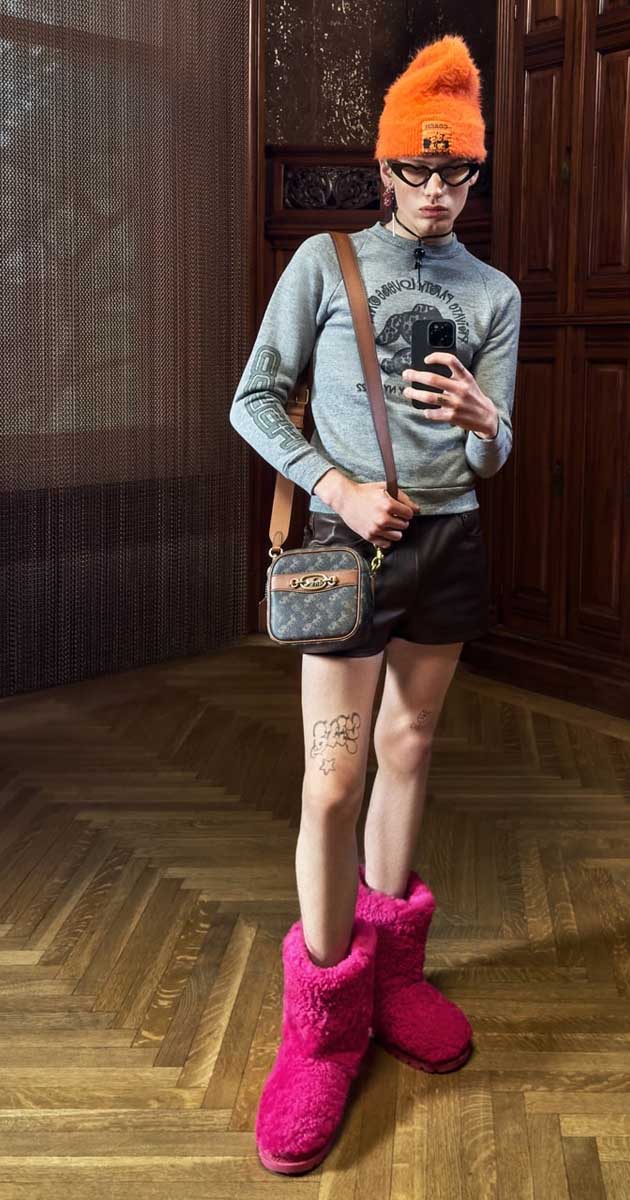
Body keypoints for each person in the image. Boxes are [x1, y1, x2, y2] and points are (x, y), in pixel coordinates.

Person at [229, 33, 522, 1176]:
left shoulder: (492, 295)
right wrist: (336, 488)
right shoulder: (326, 262)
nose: (437, 192)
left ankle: (393, 976)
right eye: (418, 170)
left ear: (474, 174)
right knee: (332, 776)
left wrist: (488, 423)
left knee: (408, 749)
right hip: (350, 544)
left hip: (448, 542)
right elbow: (254, 401)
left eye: (457, 173)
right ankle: (320, 1024)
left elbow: (494, 455)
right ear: (384, 167)